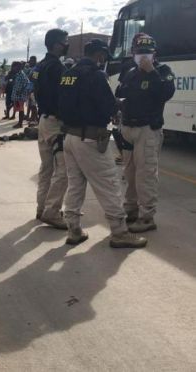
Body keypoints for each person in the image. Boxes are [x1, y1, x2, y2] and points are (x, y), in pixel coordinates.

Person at [59, 39, 148, 249]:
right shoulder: (96, 75)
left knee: (75, 185)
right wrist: (119, 105)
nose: (104, 60)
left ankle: (74, 229)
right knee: (109, 184)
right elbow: (107, 104)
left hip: (69, 138)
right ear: (99, 55)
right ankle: (119, 232)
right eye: (104, 56)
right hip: (90, 138)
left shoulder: (67, 74)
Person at [116, 33, 176, 233]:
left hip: (148, 130)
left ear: (154, 53)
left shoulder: (163, 71)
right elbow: (120, 94)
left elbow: (166, 93)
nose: (143, 57)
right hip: (128, 129)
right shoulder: (131, 72)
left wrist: (151, 72)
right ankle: (131, 209)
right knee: (129, 173)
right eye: (139, 52)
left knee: (146, 174)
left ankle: (147, 216)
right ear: (133, 52)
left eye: (147, 53)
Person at [32, 28, 70, 229]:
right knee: (63, 170)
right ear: (56, 44)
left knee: (46, 168)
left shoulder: (39, 66)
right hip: (56, 124)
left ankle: (42, 208)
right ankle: (52, 211)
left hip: (43, 121)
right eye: (65, 41)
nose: (67, 44)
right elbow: (64, 98)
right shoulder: (57, 68)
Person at [11, 62, 30, 129]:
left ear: (18, 67)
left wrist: (20, 92)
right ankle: (19, 123)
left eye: (14, 67)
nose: (13, 68)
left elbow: (25, 84)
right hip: (18, 95)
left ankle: (20, 123)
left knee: (21, 109)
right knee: (20, 109)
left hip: (20, 95)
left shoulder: (21, 74)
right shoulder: (19, 74)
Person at [25, 56, 39, 125]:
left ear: (34, 61)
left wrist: (32, 90)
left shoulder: (36, 69)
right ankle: (34, 118)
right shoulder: (32, 69)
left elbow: (35, 80)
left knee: (33, 105)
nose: (29, 62)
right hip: (30, 89)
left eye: (30, 61)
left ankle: (35, 120)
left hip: (33, 90)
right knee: (31, 105)